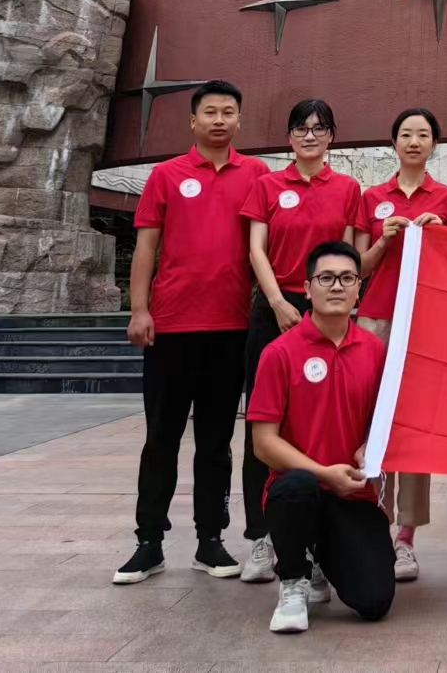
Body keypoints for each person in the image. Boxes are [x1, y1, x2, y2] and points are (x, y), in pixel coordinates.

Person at [113, 81, 266, 585]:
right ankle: (149, 542)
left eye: (228, 112)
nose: (220, 120)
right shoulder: (167, 175)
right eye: (210, 112)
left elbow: (266, 244)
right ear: (193, 121)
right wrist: (140, 310)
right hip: (171, 327)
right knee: (161, 438)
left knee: (216, 442)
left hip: (231, 328)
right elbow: (145, 247)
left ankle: (210, 540)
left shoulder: (256, 174)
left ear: (239, 120)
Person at [239, 99, 361, 584]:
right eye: (301, 128)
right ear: (289, 137)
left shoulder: (348, 188)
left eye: (319, 128)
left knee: (324, 423)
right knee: (264, 423)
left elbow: (347, 253)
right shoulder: (268, 185)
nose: (310, 136)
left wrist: (331, 305)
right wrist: (277, 302)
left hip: (326, 306)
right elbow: (256, 248)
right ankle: (260, 536)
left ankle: (319, 540)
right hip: (275, 307)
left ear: (332, 136)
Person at [248, 240, 394, 633]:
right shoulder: (279, 352)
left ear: (359, 288)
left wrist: (372, 444)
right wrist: (323, 473)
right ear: (308, 288)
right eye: (326, 278)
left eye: (347, 278)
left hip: (352, 495)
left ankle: (321, 558)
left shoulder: (375, 350)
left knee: (374, 601)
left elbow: (385, 421)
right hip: (300, 490)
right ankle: (294, 579)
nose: (337, 286)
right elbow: (263, 443)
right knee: (295, 486)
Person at [353, 106, 447, 583]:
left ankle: (406, 537)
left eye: (422, 134)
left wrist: (443, 236)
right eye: (406, 134)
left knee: (414, 425)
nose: (414, 142)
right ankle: (374, 521)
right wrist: (384, 240)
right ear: (393, 143)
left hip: (426, 320)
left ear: (435, 144)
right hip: (377, 317)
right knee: (372, 421)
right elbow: (358, 266)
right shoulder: (372, 197)